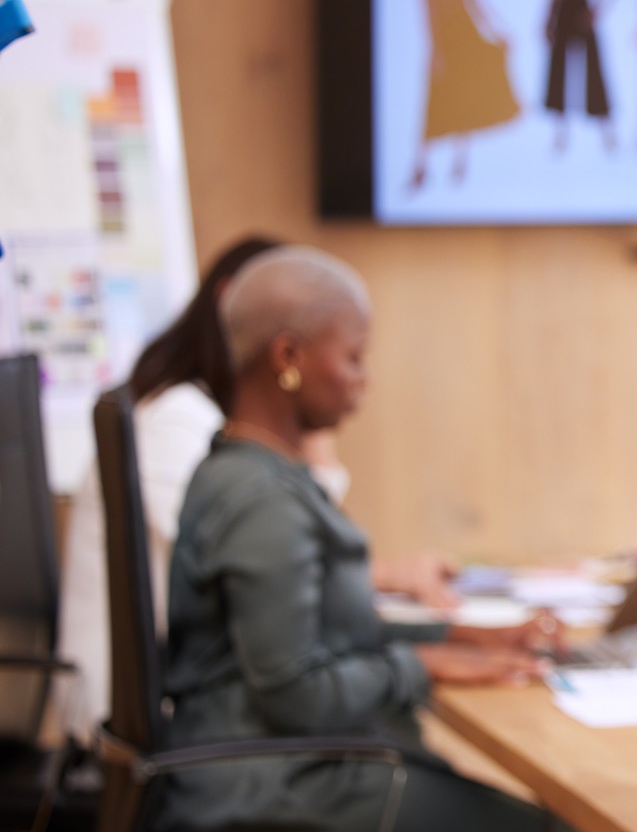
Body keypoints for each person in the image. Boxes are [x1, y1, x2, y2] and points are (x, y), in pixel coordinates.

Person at [156, 247, 573, 832]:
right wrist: (425, 664)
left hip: (268, 779)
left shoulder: (253, 476)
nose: (362, 380)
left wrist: (459, 640)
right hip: (273, 800)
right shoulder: (264, 503)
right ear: (288, 356)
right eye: (351, 356)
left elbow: (321, 630)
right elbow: (293, 690)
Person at [57, 236, 460, 739]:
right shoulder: (182, 423)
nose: (360, 377)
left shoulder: (213, 428)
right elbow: (281, 551)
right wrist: (310, 431)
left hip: (198, 705)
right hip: (142, 723)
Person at [411, 0, 521, 192]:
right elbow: (430, 19)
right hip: (445, 45)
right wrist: (435, 52)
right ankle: (421, 167)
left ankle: (460, 164)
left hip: (467, 42)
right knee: (435, 105)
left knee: (464, 102)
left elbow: (478, 5)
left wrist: (499, 30)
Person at [543, 0, 615, 154]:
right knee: (559, 71)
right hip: (564, 11)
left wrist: (596, 10)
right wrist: (548, 19)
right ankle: (560, 133)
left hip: (583, 11)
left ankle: (607, 132)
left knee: (593, 69)